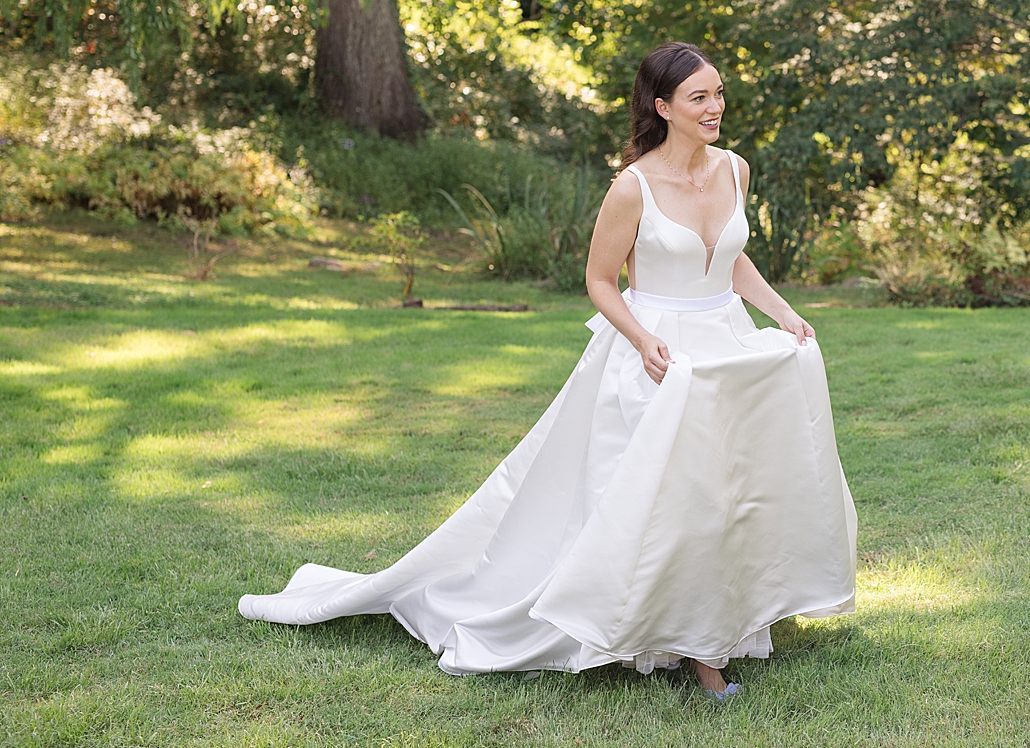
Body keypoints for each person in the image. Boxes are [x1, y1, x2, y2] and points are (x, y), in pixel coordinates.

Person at [240, 42, 858, 700]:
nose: (715, 108)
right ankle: (698, 652)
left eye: (719, 93)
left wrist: (782, 312)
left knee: (735, 492)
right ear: (662, 106)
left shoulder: (736, 169)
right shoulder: (634, 186)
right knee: (682, 499)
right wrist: (644, 339)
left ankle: (727, 618)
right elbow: (599, 280)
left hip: (726, 346)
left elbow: (731, 260)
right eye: (699, 97)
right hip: (656, 354)